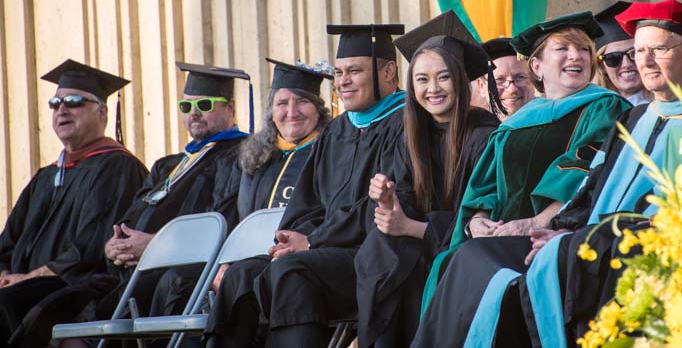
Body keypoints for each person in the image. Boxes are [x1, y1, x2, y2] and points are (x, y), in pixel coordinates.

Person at [461, 0, 682, 348]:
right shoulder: (636, 119)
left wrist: (568, 235)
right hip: (595, 239)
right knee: (471, 264)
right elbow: (591, 186)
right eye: (638, 50)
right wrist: (564, 227)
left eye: (657, 49)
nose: (642, 61)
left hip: (649, 249)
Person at [411, 11, 631, 348]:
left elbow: (582, 169)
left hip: (556, 235)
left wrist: (536, 221)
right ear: (538, 67)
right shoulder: (517, 121)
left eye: (584, 50)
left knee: (475, 262)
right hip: (502, 234)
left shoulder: (605, 108)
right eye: (563, 49)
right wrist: (477, 222)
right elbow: (485, 183)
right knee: (451, 260)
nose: (576, 57)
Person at [10, 62, 250, 348]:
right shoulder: (169, 165)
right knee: (51, 318)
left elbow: (223, 221)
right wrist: (114, 245)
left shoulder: (240, 158)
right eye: (186, 107)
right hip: (132, 274)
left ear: (231, 108)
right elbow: (131, 215)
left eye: (205, 104)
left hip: (175, 274)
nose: (194, 113)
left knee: (72, 330)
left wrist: (156, 245)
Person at [206, 24, 407, 348]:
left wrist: (312, 240)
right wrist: (292, 238)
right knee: (239, 277)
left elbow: (385, 205)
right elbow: (307, 203)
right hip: (323, 251)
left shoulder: (406, 124)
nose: (342, 81)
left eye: (354, 71)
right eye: (339, 72)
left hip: (371, 256)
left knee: (292, 271)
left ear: (388, 72)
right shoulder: (337, 131)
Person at [354, 11, 500, 347]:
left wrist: (410, 228)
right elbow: (402, 206)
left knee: (395, 252)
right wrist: (389, 201)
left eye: (443, 77)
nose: (432, 89)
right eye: (421, 79)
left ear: (461, 80)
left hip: (460, 251)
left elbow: (480, 215)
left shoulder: (485, 135)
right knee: (380, 247)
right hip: (419, 245)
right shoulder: (411, 135)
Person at [0, 59, 148, 347]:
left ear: (102, 112)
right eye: (55, 103)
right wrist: (5, 275)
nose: (62, 109)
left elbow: (92, 248)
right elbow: (8, 242)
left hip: (79, 288)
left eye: (74, 101)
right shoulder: (46, 176)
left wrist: (27, 279)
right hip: (26, 286)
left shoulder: (118, 168)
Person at [202, 59, 332, 346]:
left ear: (318, 110)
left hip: (302, 255)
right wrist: (224, 261)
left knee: (247, 277)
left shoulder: (331, 151)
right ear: (271, 111)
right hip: (251, 260)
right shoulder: (255, 157)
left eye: (302, 102)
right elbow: (239, 218)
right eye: (282, 103)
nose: (291, 112)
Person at [593, 1, 651, 105]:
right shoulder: (595, 111)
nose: (626, 64)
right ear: (602, 66)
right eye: (613, 58)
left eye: (634, 53)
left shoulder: (664, 108)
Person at [480, 37, 535, 119]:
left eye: (520, 77)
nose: (512, 89)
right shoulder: (471, 129)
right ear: (481, 86)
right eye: (499, 80)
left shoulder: (554, 124)